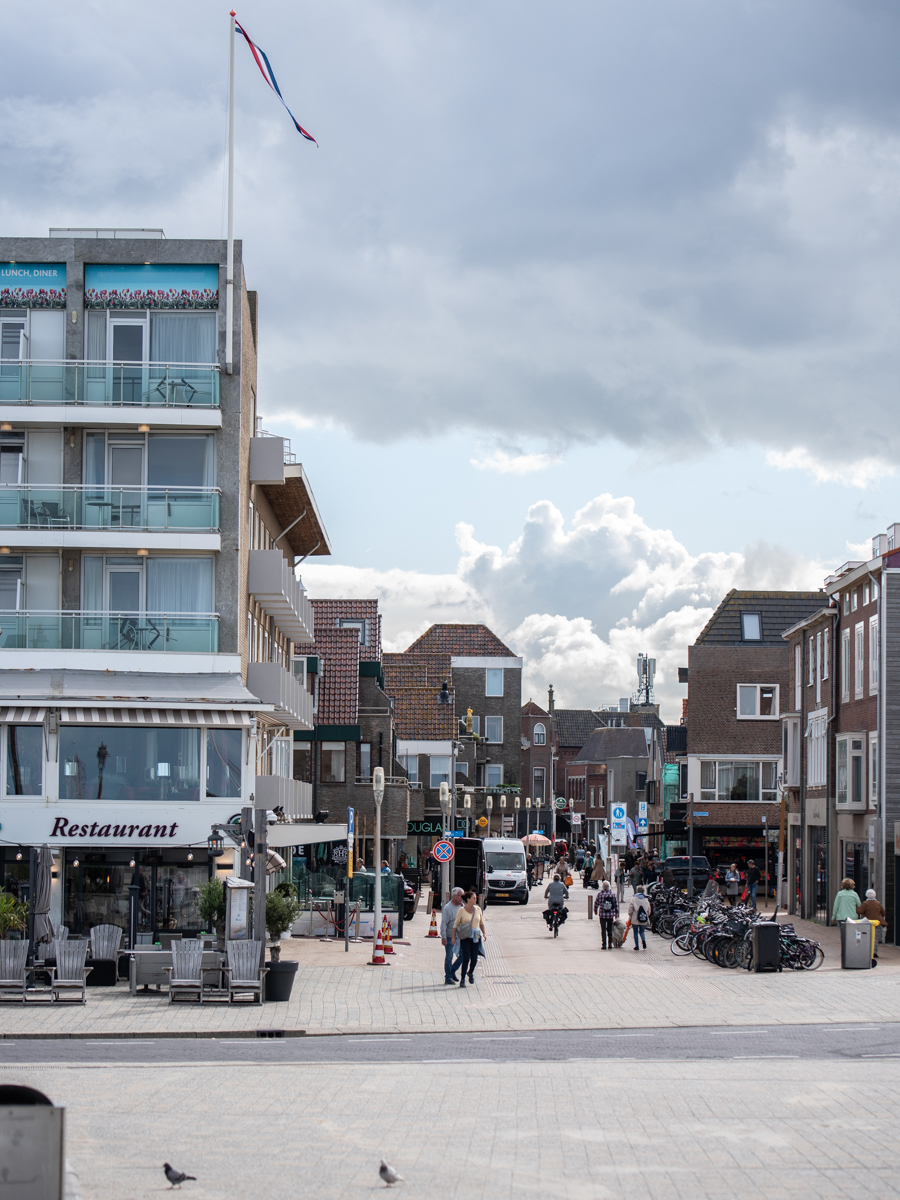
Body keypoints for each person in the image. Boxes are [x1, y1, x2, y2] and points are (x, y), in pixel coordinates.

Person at [452, 890, 486, 987]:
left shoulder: (478, 909)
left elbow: (481, 923)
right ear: (468, 899)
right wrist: (453, 937)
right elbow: (456, 924)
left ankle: (470, 972)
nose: (475, 899)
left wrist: (484, 933)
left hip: (475, 937)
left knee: (474, 959)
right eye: (473, 898)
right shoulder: (462, 910)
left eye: (476, 898)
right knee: (466, 958)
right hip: (465, 937)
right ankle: (462, 979)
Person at [440, 886, 464, 984]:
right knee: (449, 956)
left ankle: (452, 970)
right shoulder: (448, 908)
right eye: (459, 896)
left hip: (460, 936)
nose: (461, 898)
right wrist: (444, 937)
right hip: (450, 936)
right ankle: (448, 977)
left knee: (464, 955)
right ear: (454, 896)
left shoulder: (461, 906)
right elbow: (444, 923)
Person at [858, 888, 888, 958]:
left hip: (867, 923)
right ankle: (874, 952)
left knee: (866, 937)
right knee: (875, 938)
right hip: (877, 923)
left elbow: (860, 911)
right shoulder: (878, 903)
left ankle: (867, 951)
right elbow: (883, 913)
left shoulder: (865, 904)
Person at [594, 880, 619, 949]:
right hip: (610, 915)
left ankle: (604, 944)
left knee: (603, 929)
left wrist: (595, 910)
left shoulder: (600, 894)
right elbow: (616, 904)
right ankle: (610, 944)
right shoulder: (613, 894)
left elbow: (596, 903)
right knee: (610, 929)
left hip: (602, 915)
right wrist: (616, 912)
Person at [628, 886, 651, 951]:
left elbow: (630, 909)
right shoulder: (646, 899)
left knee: (635, 932)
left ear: (637, 891)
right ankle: (643, 940)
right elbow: (648, 910)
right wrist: (647, 915)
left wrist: (630, 915)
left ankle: (637, 946)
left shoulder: (634, 899)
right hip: (643, 918)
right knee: (642, 931)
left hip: (635, 918)